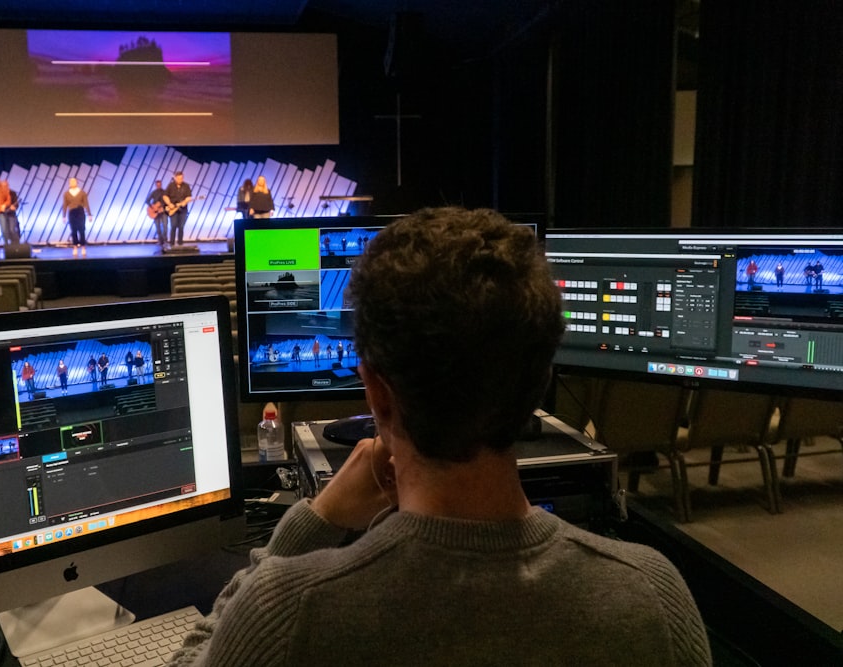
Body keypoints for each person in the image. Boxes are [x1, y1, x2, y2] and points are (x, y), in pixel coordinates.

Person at [167, 207, 711, 666]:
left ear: (377, 395)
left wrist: (311, 524)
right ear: (538, 378)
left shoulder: (284, 612)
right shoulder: (654, 596)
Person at [62, 177, 93, 257]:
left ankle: (83, 247)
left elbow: (86, 203)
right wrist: (64, 216)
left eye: (74, 181)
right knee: (73, 230)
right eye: (71, 181)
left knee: (82, 229)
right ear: (69, 183)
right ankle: (75, 247)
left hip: (80, 212)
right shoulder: (66, 193)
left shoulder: (82, 192)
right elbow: (65, 205)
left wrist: (89, 214)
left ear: (77, 182)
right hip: (72, 213)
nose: (72, 183)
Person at [163, 171, 193, 247]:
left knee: (181, 226)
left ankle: (180, 243)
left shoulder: (186, 186)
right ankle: (172, 244)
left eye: (182, 178)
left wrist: (185, 202)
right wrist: (169, 204)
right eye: (179, 178)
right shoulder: (170, 185)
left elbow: (189, 197)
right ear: (175, 178)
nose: (180, 180)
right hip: (173, 209)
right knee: (173, 226)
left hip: (183, 209)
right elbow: (165, 196)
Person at [146, 179, 168, 249]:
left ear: (161, 184)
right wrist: (152, 207)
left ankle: (165, 241)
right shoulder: (153, 192)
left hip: (163, 211)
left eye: (160, 184)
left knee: (165, 226)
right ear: (156, 185)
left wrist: (163, 206)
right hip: (155, 212)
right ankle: (160, 240)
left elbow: (168, 201)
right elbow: (147, 200)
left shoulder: (165, 192)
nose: (158, 186)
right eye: (157, 185)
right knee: (158, 227)